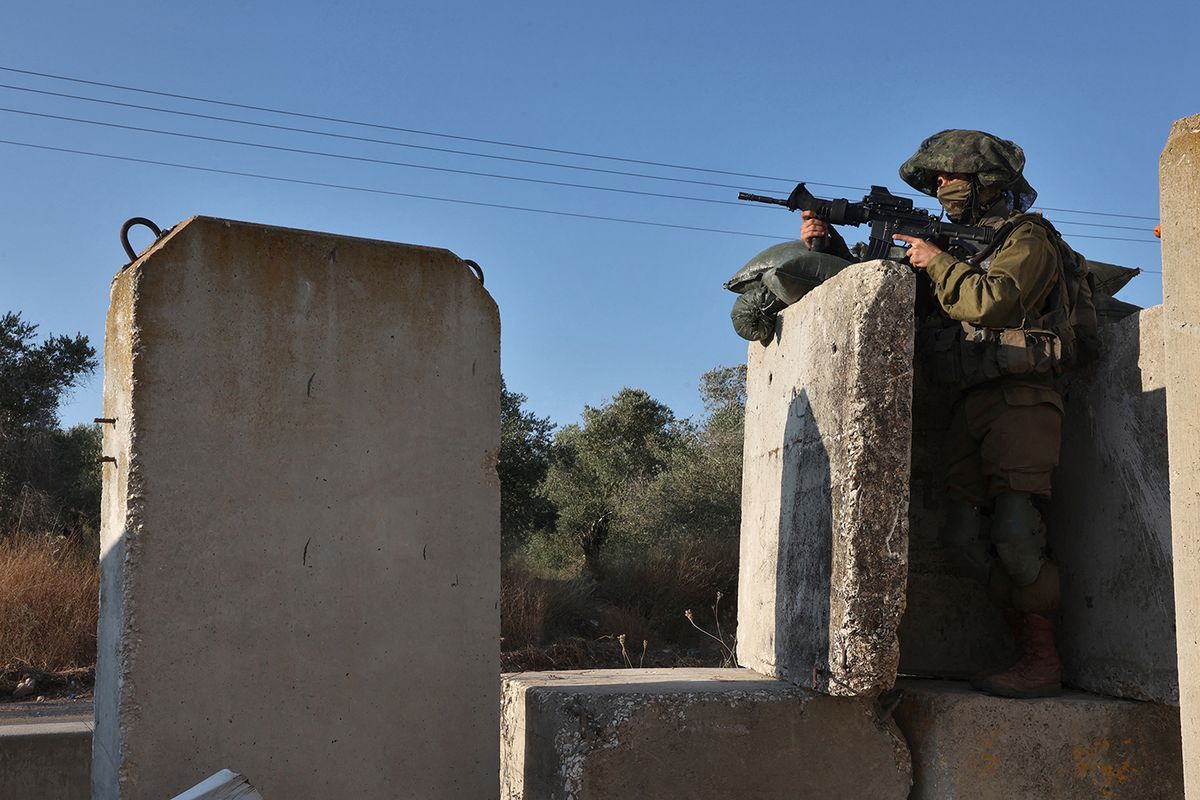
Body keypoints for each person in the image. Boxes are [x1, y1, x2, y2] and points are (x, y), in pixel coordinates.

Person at [802, 129, 1074, 698]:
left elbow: (994, 301)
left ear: (986, 182)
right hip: (969, 403)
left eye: (950, 177)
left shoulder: (1030, 238)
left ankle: (1043, 656)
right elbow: (902, 295)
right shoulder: (957, 244)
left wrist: (936, 259)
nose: (941, 187)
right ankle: (1022, 632)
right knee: (962, 535)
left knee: (1017, 531)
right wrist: (828, 248)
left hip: (1021, 398)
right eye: (937, 180)